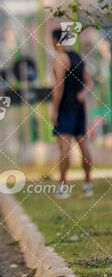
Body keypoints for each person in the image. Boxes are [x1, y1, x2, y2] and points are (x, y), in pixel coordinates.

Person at [51, 28, 93, 198]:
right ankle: (88, 184)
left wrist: (54, 110)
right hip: (78, 106)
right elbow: (89, 82)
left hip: (65, 107)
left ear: (56, 41)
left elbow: (58, 87)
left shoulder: (60, 58)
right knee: (83, 145)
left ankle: (63, 186)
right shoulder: (77, 57)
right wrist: (82, 94)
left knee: (64, 147)